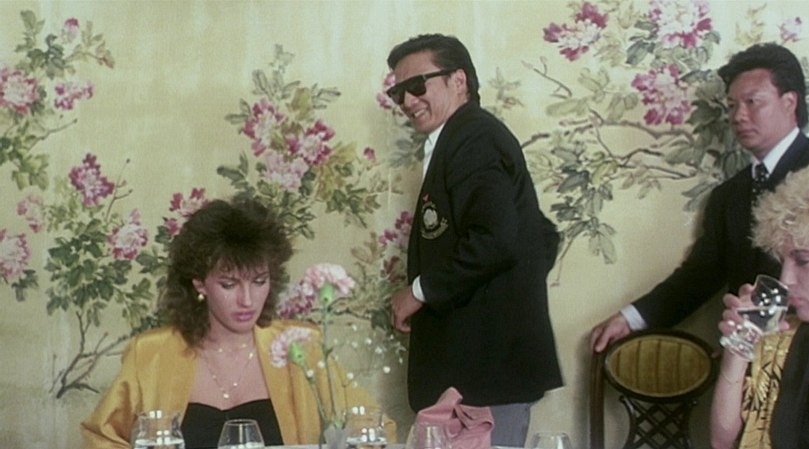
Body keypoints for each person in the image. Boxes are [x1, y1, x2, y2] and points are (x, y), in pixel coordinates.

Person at [81, 197, 391, 448]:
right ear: (199, 283)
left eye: (259, 281)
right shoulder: (151, 354)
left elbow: (376, 428)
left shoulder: (302, 346)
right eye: (229, 284)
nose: (247, 300)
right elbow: (100, 439)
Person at [591, 43, 809, 353]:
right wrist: (632, 318)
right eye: (732, 105)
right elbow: (701, 275)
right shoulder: (728, 195)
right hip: (748, 358)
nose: (738, 116)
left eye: (752, 102)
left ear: (789, 102)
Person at [386, 33, 562, 446]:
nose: (407, 101)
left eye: (417, 85)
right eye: (398, 92)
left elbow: (495, 239)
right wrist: (509, 295)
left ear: (459, 80)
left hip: (486, 377)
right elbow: (539, 235)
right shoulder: (462, 138)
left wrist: (419, 291)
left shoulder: (473, 137)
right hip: (480, 374)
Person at [710, 162, 809, 449]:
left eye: (803, 260)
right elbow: (722, 442)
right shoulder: (782, 339)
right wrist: (737, 353)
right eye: (782, 261)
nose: (785, 280)